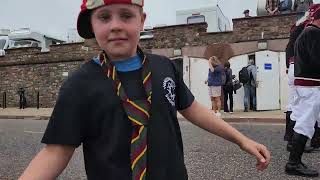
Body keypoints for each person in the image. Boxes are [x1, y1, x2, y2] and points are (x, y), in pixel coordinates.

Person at [19, 1, 271, 179]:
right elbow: (56, 150)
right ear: (92, 25)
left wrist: (241, 140)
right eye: (104, 17)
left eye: (126, 16)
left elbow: (192, 108)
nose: (116, 25)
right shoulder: (78, 85)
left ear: (142, 20)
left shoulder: (163, 67)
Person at [285, 8, 320, 177]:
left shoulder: (305, 33)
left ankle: (295, 159)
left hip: (305, 84)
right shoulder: (314, 33)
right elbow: (317, 61)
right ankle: (293, 163)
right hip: (311, 85)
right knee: (305, 122)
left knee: (302, 117)